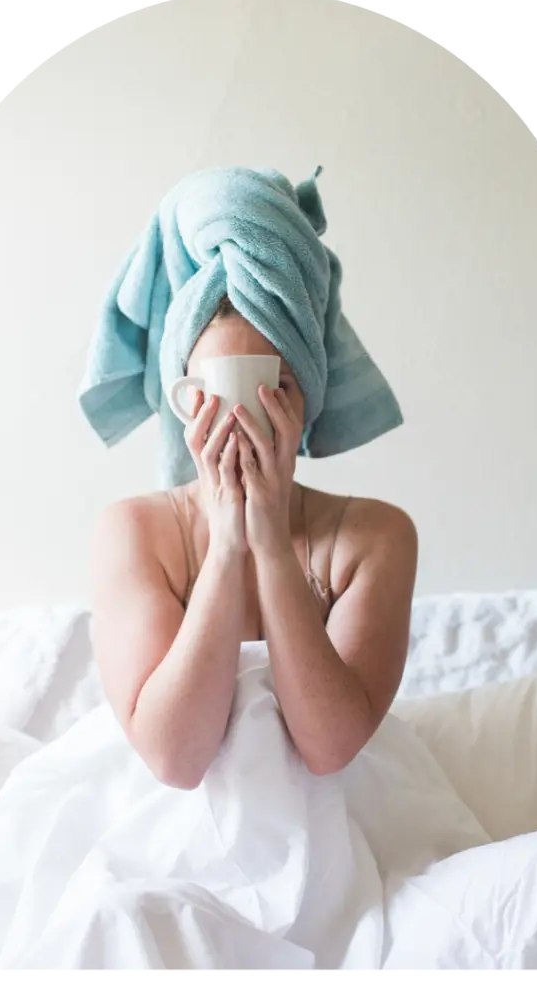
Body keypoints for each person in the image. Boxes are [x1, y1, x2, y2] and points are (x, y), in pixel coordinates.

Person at [91, 298, 418, 789]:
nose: (241, 412)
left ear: (306, 399)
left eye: (274, 388)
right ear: (188, 402)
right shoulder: (132, 529)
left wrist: (270, 543)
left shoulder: (376, 535)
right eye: (217, 389)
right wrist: (226, 544)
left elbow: (329, 750)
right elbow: (176, 761)